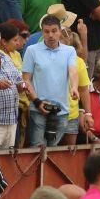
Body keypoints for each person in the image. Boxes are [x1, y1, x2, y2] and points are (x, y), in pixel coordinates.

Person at [22, 14, 79, 147]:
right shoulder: (32, 50)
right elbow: (26, 80)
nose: (51, 35)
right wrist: (37, 102)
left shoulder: (69, 51)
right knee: (37, 148)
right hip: (38, 108)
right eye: (47, 31)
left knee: (52, 150)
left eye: (54, 31)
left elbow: (73, 71)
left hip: (61, 109)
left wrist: (74, 87)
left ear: (60, 31)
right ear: (42, 32)